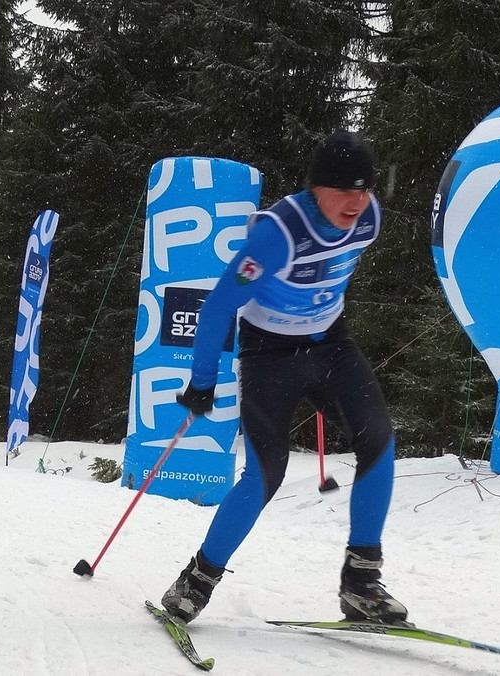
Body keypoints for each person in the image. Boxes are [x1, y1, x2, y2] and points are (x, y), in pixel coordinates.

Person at [160, 131, 409, 626]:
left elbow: (332, 273)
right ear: (316, 188)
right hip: (270, 354)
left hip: (330, 344)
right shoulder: (278, 232)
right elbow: (217, 308)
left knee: (379, 441)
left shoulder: (370, 217)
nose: (357, 202)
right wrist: (202, 382)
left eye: (365, 189)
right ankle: (197, 580)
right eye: (345, 190)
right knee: (264, 473)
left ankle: (361, 581)